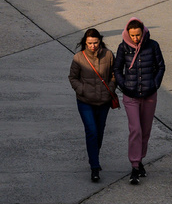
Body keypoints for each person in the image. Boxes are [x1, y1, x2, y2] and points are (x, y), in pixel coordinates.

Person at [116, 18, 164, 185]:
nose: (135, 38)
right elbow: (117, 69)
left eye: (138, 35)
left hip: (149, 95)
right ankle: (135, 165)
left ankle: (140, 159)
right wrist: (124, 86)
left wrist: (155, 84)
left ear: (143, 32)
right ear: (127, 34)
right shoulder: (123, 47)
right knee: (135, 129)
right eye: (132, 35)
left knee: (145, 130)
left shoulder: (153, 45)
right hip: (131, 96)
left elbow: (161, 66)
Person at [67, 28, 117, 184]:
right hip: (85, 102)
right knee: (92, 132)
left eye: (95, 43)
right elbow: (72, 77)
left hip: (103, 101)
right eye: (89, 43)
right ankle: (94, 167)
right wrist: (82, 90)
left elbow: (115, 75)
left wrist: (110, 89)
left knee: (99, 132)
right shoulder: (78, 58)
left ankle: (94, 156)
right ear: (85, 43)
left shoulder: (108, 55)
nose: (93, 46)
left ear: (100, 41)